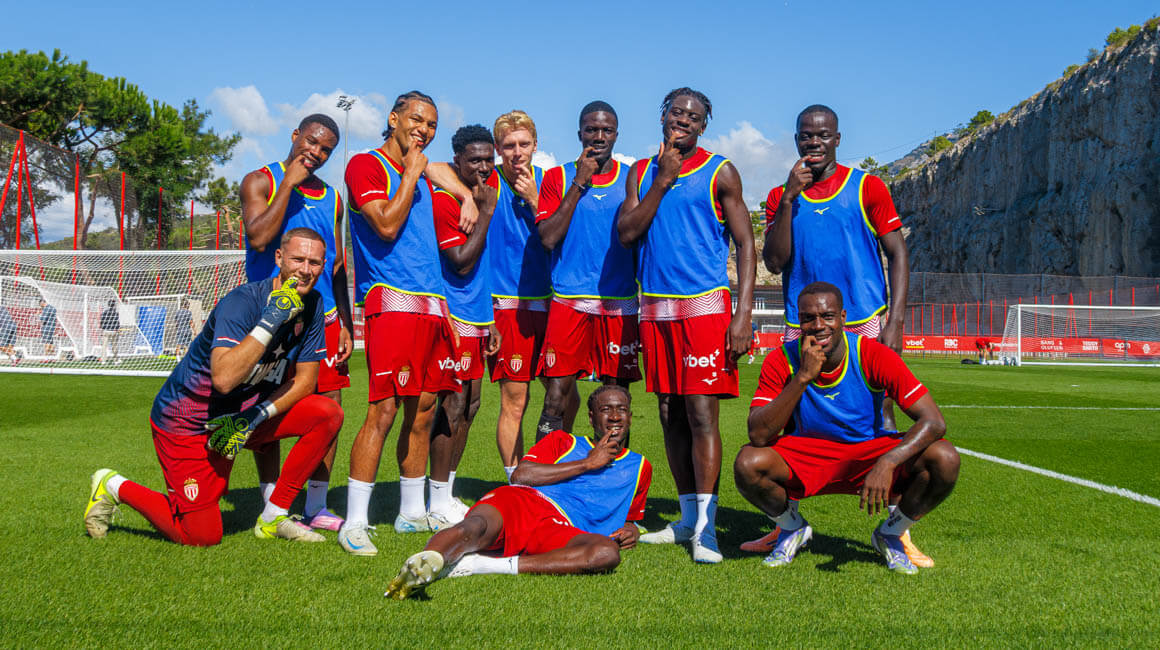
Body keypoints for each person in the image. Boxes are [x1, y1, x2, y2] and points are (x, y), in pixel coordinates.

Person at [83, 227, 344, 546]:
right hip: (188, 421)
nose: (305, 270)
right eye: (297, 259)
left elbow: (306, 381)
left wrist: (254, 417)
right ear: (279, 258)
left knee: (327, 412)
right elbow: (224, 379)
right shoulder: (242, 302)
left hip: (241, 418)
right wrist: (270, 321)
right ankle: (112, 485)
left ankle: (274, 516)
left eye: (314, 262)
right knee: (201, 534)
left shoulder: (313, 304)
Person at [754, 104, 920, 561]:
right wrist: (789, 197)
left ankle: (896, 530)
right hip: (803, 323)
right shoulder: (780, 195)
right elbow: (775, 261)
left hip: (863, 318)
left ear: (838, 139)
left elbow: (897, 252)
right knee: (790, 421)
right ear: (796, 139)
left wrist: (896, 320)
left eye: (823, 135)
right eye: (806, 135)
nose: (814, 142)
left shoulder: (867, 187)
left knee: (882, 417)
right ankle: (786, 525)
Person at [734, 282, 959, 574]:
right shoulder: (782, 359)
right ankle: (791, 528)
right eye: (808, 318)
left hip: (867, 453)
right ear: (798, 321)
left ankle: (892, 533)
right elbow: (758, 435)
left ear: (842, 317)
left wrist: (888, 462)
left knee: (945, 458)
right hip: (808, 454)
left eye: (827, 316)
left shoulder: (872, 354)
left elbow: (934, 421)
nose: (818, 326)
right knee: (748, 462)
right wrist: (802, 377)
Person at [619, 88, 755, 563]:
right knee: (669, 413)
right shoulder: (640, 172)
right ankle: (685, 519)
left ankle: (706, 528)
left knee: (701, 414)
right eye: (677, 112)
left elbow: (746, 243)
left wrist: (742, 314)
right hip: (656, 311)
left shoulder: (721, 171)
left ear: (703, 126)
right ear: (663, 116)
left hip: (704, 309)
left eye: (693, 117)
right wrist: (662, 180)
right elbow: (627, 233)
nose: (683, 121)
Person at [340, 91, 474, 556]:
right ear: (393, 118)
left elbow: (437, 170)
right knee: (384, 410)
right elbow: (386, 226)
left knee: (424, 410)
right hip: (392, 300)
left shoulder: (420, 168)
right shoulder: (366, 165)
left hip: (433, 305)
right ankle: (355, 521)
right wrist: (414, 173)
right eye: (417, 119)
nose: (425, 129)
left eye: (432, 124)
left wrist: (463, 194)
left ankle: (411, 512)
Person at [385, 385, 651, 600]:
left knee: (606, 553)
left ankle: (479, 565)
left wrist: (632, 531)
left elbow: (631, 519)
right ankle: (424, 564)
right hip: (525, 502)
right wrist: (586, 463)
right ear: (591, 417)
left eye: (621, 410)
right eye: (605, 410)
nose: (614, 417)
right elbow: (521, 475)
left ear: (629, 416)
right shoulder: (564, 441)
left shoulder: (640, 466)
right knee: (475, 527)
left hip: (563, 529)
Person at [240, 113, 352, 532]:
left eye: (325, 149)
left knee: (331, 408)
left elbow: (336, 265)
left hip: (323, 317)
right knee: (267, 406)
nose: (316, 152)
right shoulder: (261, 181)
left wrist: (346, 321)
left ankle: (316, 505)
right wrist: (288, 182)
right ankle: (273, 502)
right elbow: (258, 239)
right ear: (295, 136)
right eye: (311, 142)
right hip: (271, 318)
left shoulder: (333, 198)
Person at [534, 101, 639, 440]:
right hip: (570, 301)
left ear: (617, 135)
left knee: (616, 399)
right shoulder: (558, 177)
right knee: (556, 397)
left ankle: (612, 469)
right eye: (591, 129)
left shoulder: (632, 178)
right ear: (579, 133)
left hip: (618, 303)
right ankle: (546, 466)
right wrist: (579, 183)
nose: (599, 136)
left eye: (606, 130)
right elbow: (548, 238)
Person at [486, 110, 575, 479]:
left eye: (524, 144)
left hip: (552, 305)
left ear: (536, 145)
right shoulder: (486, 180)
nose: (517, 152)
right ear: (498, 148)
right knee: (515, 399)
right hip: (507, 306)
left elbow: (562, 235)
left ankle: (549, 468)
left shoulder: (550, 182)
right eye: (509, 145)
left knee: (568, 396)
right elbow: (435, 170)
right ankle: (516, 481)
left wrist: (536, 199)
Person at [428, 124, 504, 527]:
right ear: (457, 159)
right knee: (452, 406)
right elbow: (460, 262)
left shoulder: (480, 194)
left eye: (488, 159)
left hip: (477, 316)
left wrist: (490, 318)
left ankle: (447, 492)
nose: (483, 167)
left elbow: (482, 269)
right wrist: (484, 210)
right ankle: (435, 498)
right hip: (452, 317)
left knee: (471, 406)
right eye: (474, 160)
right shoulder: (446, 200)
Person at [99, 299, 120, 365]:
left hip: (106, 331)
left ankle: (103, 360)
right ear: (114, 305)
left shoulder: (105, 312)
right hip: (113, 331)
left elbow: (102, 321)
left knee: (104, 346)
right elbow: (117, 322)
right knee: (114, 346)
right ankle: (116, 360)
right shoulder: (116, 313)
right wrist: (117, 329)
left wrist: (103, 328)